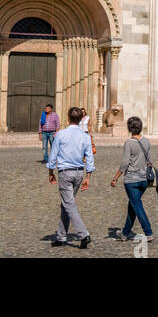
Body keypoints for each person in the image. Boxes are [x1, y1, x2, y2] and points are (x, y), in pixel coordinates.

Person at [47, 106, 95, 248]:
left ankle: (84, 234)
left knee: (69, 204)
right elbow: (90, 158)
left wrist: (50, 172)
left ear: (67, 118)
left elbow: (53, 155)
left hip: (65, 173)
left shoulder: (60, 135)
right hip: (79, 173)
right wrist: (88, 177)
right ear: (81, 119)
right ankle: (61, 236)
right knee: (66, 204)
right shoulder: (85, 137)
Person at [110, 115, 154, 241]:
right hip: (144, 179)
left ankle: (148, 232)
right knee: (133, 206)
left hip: (132, 180)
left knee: (137, 206)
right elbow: (150, 161)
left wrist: (115, 178)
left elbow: (124, 163)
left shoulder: (129, 143)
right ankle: (125, 233)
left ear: (129, 128)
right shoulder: (146, 141)